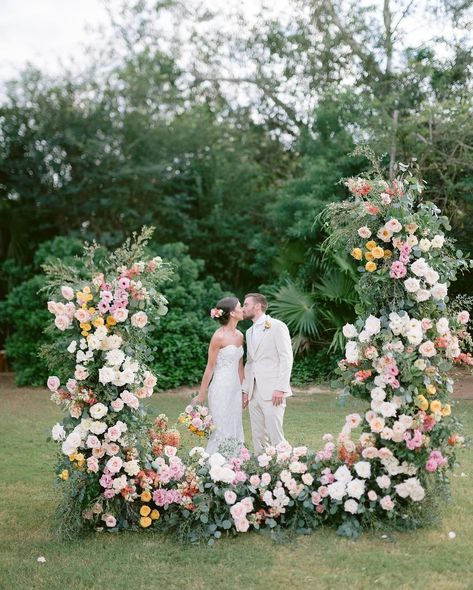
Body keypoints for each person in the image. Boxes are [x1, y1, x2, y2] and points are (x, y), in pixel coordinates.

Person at [192, 297, 245, 455]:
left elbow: (240, 365)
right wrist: (202, 394)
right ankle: (216, 465)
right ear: (232, 313)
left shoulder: (240, 335)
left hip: (235, 388)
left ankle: (235, 462)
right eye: (240, 307)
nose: (243, 310)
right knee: (221, 427)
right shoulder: (218, 337)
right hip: (221, 387)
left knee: (235, 424)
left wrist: (243, 391)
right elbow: (210, 367)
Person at [242, 293, 293, 455]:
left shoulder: (277, 326)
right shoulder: (248, 332)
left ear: (257, 306)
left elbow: (286, 358)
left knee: (275, 435)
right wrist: (245, 390)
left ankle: (290, 468)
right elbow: (250, 362)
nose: (243, 308)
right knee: (257, 436)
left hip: (273, 391)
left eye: (246, 304)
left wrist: (281, 387)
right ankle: (261, 470)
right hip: (253, 391)